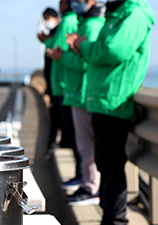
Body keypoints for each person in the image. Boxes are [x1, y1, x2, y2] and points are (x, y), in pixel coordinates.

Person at [68, 0, 154, 225]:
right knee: (106, 164)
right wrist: (90, 47)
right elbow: (105, 48)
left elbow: (114, 50)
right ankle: (108, 224)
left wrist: (84, 45)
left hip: (114, 101)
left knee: (112, 166)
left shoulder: (134, 14)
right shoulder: (118, 14)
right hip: (104, 100)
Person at [47, 0, 105, 206]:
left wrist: (62, 57)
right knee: (83, 144)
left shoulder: (89, 25)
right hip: (77, 91)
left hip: (81, 91)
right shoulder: (84, 23)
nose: (72, 3)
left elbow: (86, 62)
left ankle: (90, 186)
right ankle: (88, 183)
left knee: (86, 145)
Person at [45, 0, 82, 190]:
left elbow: (56, 49)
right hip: (65, 84)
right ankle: (81, 176)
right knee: (73, 133)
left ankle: (82, 175)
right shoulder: (71, 21)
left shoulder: (68, 22)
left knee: (75, 134)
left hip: (65, 85)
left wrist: (49, 44)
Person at [37, 7, 61, 160]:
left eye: (48, 18)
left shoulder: (62, 29)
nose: (47, 22)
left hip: (59, 84)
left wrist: (47, 41)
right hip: (54, 82)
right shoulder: (55, 32)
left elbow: (56, 52)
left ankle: (52, 144)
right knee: (57, 116)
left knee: (57, 116)